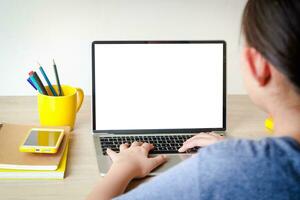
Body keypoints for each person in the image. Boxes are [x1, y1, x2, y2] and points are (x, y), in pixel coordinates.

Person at [87, 0, 300, 199]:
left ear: (257, 65)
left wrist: (123, 168)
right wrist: (235, 152)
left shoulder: (217, 170)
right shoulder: (237, 162)